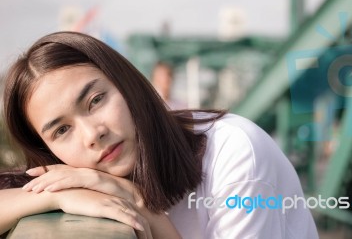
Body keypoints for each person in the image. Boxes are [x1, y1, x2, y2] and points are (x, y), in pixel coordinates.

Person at [0, 31, 318, 238]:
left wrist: (144, 207)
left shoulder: (235, 155)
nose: (92, 134)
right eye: (62, 130)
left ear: (127, 84)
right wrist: (55, 195)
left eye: (96, 100)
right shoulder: (80, 177)